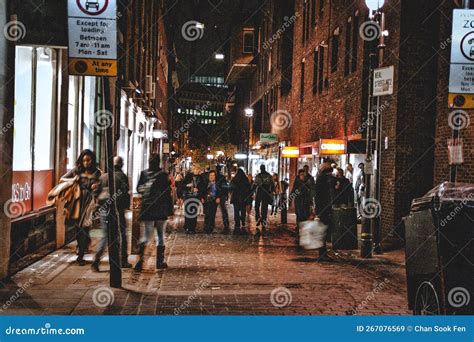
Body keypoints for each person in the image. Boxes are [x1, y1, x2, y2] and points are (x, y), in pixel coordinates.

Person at [60, 149, 101, 266]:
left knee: (85, 227)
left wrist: (97, 186)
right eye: (84, 160)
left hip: (90, 203)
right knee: (79, 228)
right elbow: (62, 179)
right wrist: (73, 179)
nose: (86, 162)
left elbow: (103, 184)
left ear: (92, 160)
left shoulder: (97, 172)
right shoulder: (77, 171)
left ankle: (81, 254)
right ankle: (82, 246)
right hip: (78, 203)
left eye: (88, 160)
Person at [134, 154, 174, 272]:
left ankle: (140, 261)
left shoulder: (144, 173)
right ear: (159, 162)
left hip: (148, 209)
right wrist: (170, 210)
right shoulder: (163, 174)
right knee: (160, 235)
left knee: (146, 236)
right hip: (160, 209)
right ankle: (159, 262)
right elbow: (167, 193)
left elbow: (138, 189)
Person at [92, 156, 132, 272]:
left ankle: (96, 259)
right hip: (118, 209)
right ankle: (123, 260)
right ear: (121, 165)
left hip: (105, 208)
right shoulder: (122, 176)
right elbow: (125, 192)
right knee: (122, 234)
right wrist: (125, 206)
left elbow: (96, 192)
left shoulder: (103, 176)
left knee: (105, 235)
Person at [314, 162, 335, 262]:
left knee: (324, 230)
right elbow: (319, 196)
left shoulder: (323, 179)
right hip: (324, 210)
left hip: (324, 209)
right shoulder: (323, 179)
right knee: (323, 231)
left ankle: (323, 252)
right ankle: (322, 253)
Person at [181, 165, 206, 234]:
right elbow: (182, 185)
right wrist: (187, 185)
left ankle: (192, 228)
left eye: (198, 169)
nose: (197, 170)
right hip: (188, 196)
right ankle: (187, 227)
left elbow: (204, 188)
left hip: (196, 197)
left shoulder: (201, 177)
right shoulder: (189, 176)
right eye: (195, 169)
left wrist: (199, 190)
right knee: (187, 212)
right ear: (193, 169)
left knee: (194, 213)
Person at [230, 168, 252, 235]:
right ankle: (243, 223)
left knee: (236, 212)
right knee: (243, 211)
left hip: (235, 198)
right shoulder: (245, 180)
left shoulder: (234, 180)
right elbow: (249, 190)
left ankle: (237, 225)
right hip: (243, 199)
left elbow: (231, 188)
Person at [254, 165, 275, 236]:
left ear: (260, 169)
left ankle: (259, 218)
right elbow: (272, 185)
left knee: (258, 206)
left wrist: (251, 192)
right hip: (265, 193)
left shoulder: (258, 176)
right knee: (264, 208)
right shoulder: (269, 176)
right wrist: (272, 192)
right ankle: (263, 222)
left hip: (260, 192)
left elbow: (254, 185)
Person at [215, 165, 230, 233]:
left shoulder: (217, 176)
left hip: (219, 195)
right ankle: (226, 224)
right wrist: (226, 195)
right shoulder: (222, 176)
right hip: (222, 195)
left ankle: (211, 225)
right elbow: (225, 187)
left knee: (216, 210)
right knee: (223, 210)